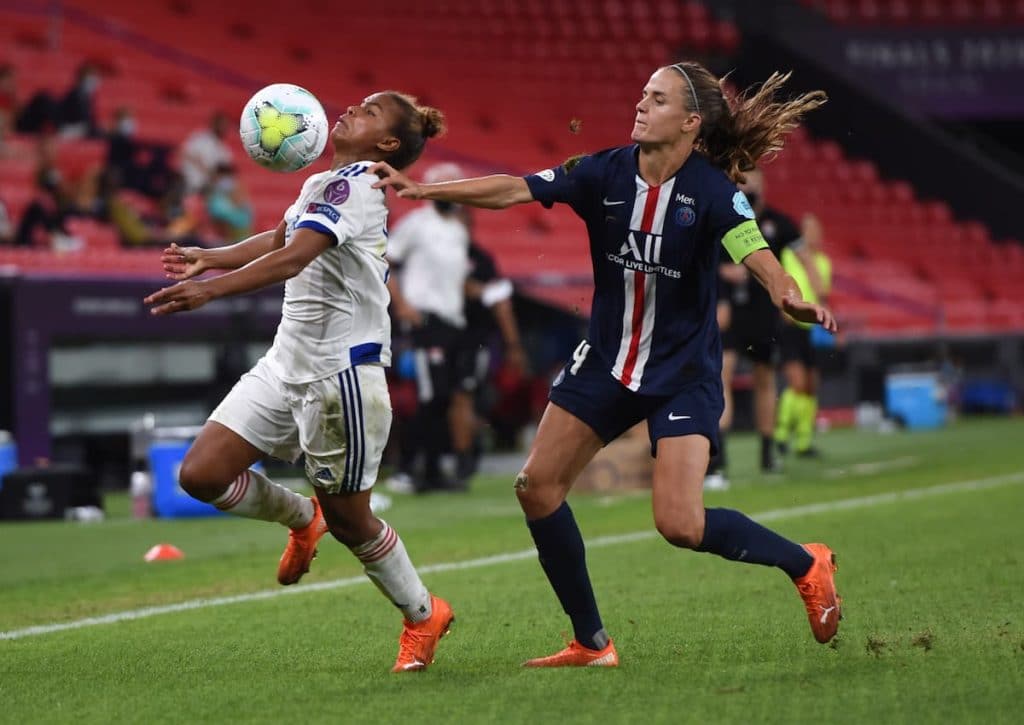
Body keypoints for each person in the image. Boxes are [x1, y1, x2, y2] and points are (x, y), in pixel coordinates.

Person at [371, 61, 840, 667]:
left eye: (658, 98)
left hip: (682, 374)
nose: (641, 105)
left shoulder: (713, 192)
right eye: (642, 94)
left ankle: (806, 563)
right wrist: (424, 190)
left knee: (680, 524)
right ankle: (592, 644)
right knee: (536, 489)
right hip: (605, 364)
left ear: (691, 122)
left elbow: (753, 248)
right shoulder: (601, 171)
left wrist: (786, 293)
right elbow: (516, 187)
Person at [143, 90, 454, 673]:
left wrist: (209, 291)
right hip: (286, 362)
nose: (350, 110)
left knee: (352, 522)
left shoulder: (358, 187)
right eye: (357, 104)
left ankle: (422, 613)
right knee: (201, 474)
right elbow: (280, 240)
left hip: (342, 377)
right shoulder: (324, 184)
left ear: (387, 144)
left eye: (368, 113)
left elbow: (293, 259)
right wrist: (211, 258)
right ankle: (299, 517)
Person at [706, 167, 803, 489]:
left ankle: (767, 450)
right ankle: (718, 459)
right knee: (723, 378)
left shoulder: (778, 223)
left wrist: (792, 297)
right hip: (731, 313)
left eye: (753, 177)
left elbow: (798, 259)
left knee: (765, 381)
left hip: (763, 315)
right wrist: (723, 277)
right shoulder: (722, 215)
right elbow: (706, 260)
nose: (748, 184)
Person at [385, 162, 473, 492]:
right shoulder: (417, 225)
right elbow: (386, 261)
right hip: (425, 321)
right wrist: (403, 305)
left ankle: (433, 470)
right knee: (429, 395)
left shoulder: (458, 229)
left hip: (451, 321)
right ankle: (408, 468)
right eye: (446, 185)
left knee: (442, 397)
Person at [775, 212, 833, 457]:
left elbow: (821, 292)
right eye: (809, 230)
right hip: (791, 327)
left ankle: (803, 441)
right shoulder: (787, 255)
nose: (814, 235)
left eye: (817, 231)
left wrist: (811, 266)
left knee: (810, 386)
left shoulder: (823, 263)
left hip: (812, 329)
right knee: (797, 384)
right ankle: (781, 432)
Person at [179, 111, 233, 194]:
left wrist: (215, 176)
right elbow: (185, 153)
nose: (223, 128)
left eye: (225, 125)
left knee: (229, 184)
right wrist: (206, 171)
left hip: (209, 184)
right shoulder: (200, 137)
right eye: (221, 124)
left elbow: (227, 167)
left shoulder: (223, 148)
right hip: (191, 179)